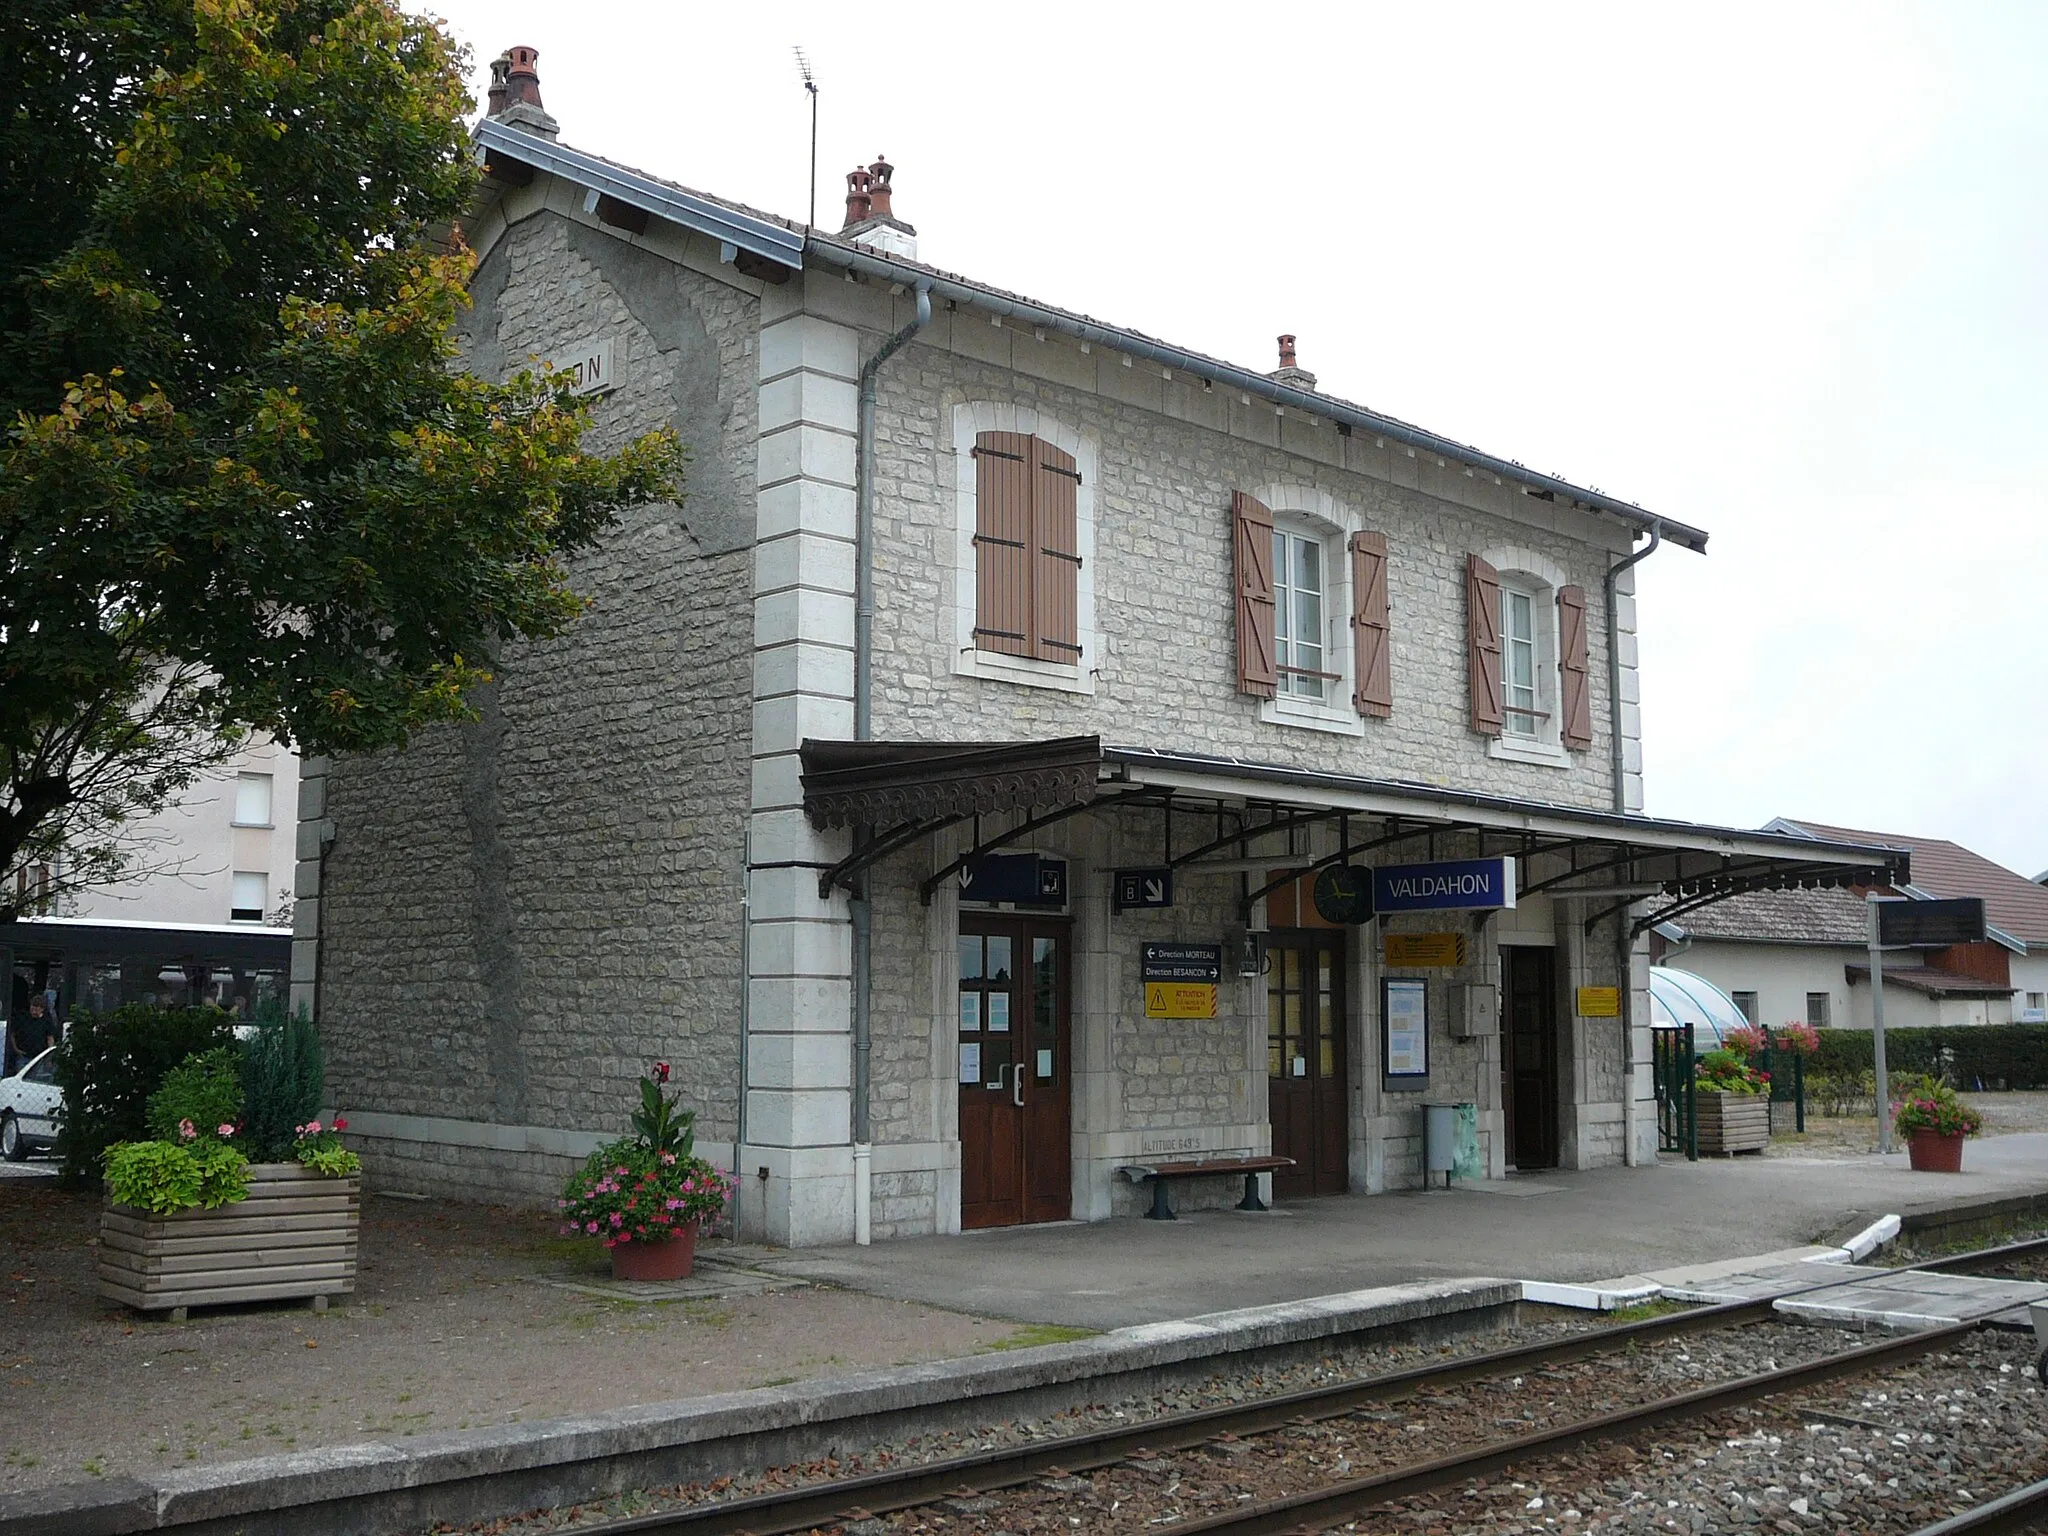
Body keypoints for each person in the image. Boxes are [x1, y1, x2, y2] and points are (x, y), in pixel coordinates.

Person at [6, 996, 58, 1078]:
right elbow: (12, 1034)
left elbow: (50, 1038)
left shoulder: (47, 1021)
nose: (33, 1011)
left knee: (34, 1079)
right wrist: (16, 1049)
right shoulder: (23, 1018)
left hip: (38, 1058)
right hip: (23, 1055)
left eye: (36, 1008)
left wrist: (49, 1056)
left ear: (42, 1009)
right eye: (32, 1007)